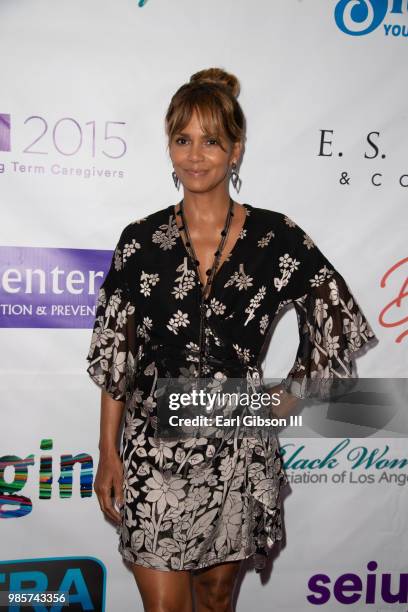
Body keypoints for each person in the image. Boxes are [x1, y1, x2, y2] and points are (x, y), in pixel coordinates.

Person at [86, 67, 378, 612]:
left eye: (211, 141)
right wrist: (108, 452)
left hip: (235, 448)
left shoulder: (275, 236)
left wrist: (280, 401)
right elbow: (115, 357)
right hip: (155, 449)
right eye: (183, 140)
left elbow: (335, 325)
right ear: (169, 147)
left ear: (236, 150)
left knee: (217, 599)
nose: (195, 156)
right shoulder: (141, 240)